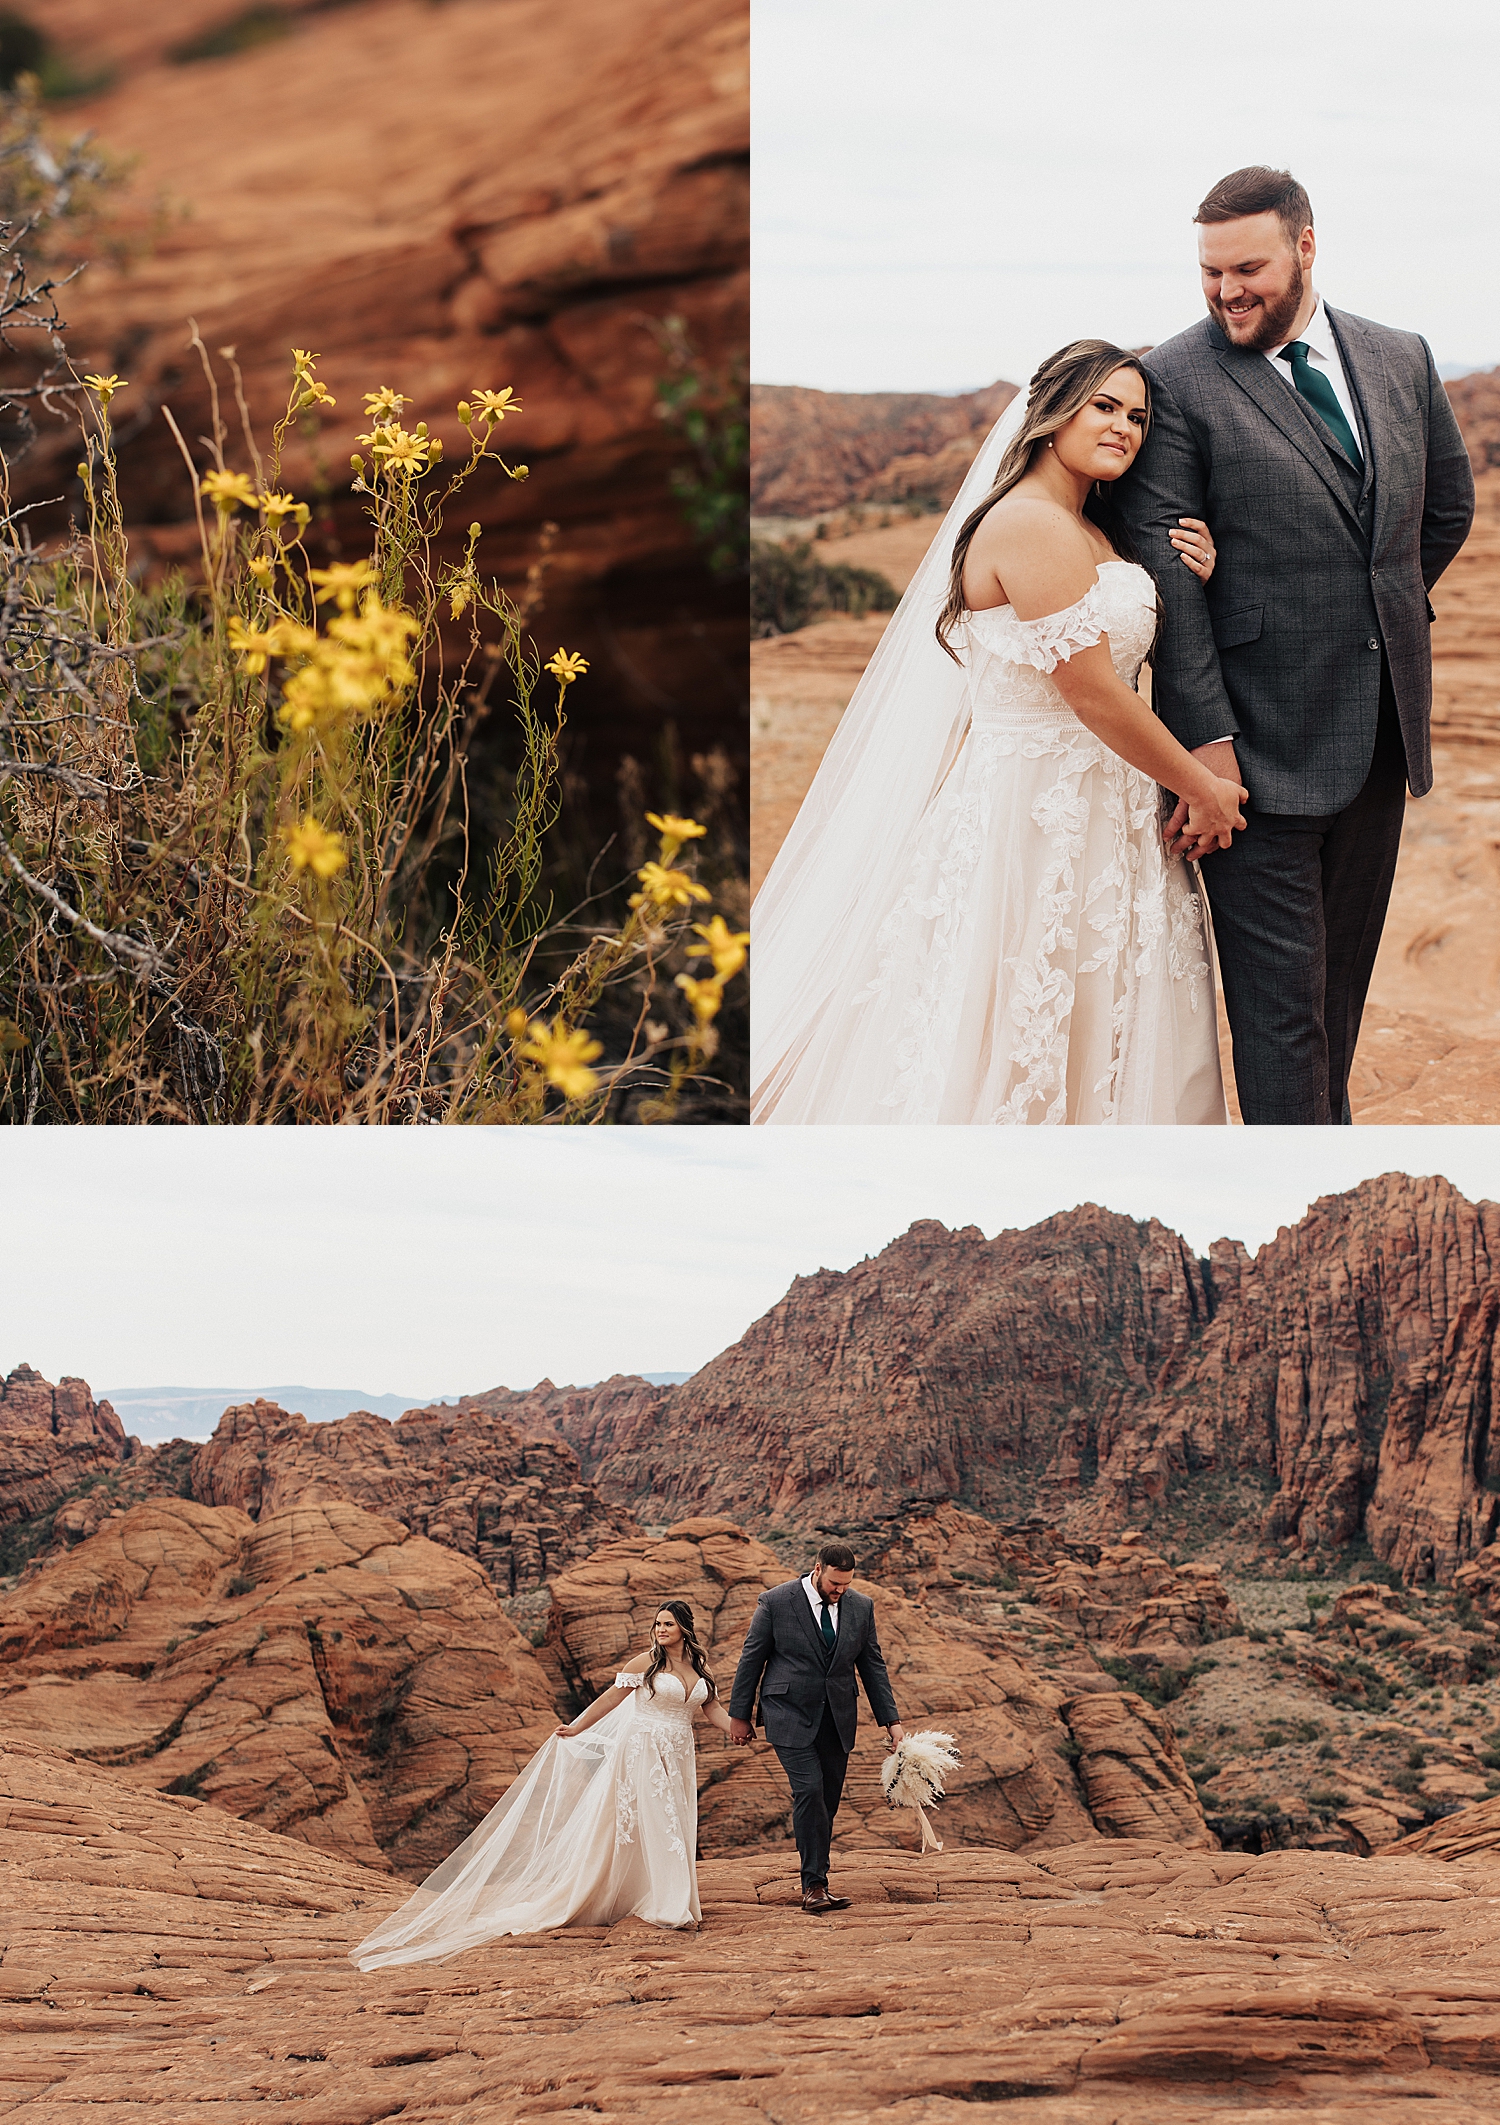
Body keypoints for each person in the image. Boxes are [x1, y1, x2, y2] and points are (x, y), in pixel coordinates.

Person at [751, 338, 1238, 1125]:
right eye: (1104, 407)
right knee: (1021, 1007)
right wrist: (1201, 787)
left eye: (1138, 416)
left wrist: (1196, 574)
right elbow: (1091, 693)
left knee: (1099, 1007)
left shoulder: (1094, 529)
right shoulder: (1029, 525)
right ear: (1051, 414)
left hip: (1108, 807)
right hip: (1036, 812)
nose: (1124, 427)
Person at [1116, 165, 1475, 1124]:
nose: (1226, 290)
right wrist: (1207, 747)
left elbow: (1443, 513)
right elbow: (1164, 575)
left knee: (1335, 1016)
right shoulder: (1175, 379)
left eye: (1247, 267)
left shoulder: (1401, 357)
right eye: (1209, 271)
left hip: (1378, 745)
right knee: (1282, 1031)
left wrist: (1370, 631)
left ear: (1305, 247)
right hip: (1250, 761)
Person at [350, 1601, 732, 1967]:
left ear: (684, 1628)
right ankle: (669, 1906)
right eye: (657, 1623)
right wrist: (577, 1726)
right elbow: (610, 1699)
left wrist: (741, 1730)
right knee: (658, 1823)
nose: (660, 1630)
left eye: (667, 1624)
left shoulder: (700, 1669)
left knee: (676, 1821)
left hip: (679, 1753)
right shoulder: (645, 1663)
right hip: (642, 1749)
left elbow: (712, 1709)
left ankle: (655, 1895)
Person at [728, 1543, 904, 1913]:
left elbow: (873, 1666)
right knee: (808, 1790)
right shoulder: (776, 1601)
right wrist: (739, 1715)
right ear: (818, 1568)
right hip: (788, 1712)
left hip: (837, 1717)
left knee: (827, 1800)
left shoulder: (861, 1607)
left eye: (846, 1584)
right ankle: (814, 1886)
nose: (840, 1591)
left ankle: (817, 1877)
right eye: (835, 1583)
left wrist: (892, 1722)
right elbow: (751, 1658)